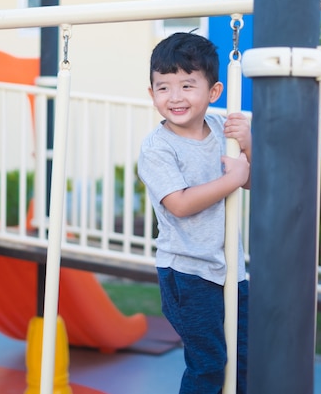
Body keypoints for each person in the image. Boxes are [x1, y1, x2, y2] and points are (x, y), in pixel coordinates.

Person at [137, 32, 251, 394]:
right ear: (152, 93)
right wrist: (233, 178)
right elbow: (181, 204)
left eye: (187, 85)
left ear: (213, 92)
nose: (175, 97)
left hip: (231, 268)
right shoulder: (157, 149)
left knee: (245, 359)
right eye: (163, 87)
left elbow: (252, 181)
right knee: (208, 363)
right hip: (186, 272)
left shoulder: (223, 132)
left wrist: (248, 145)